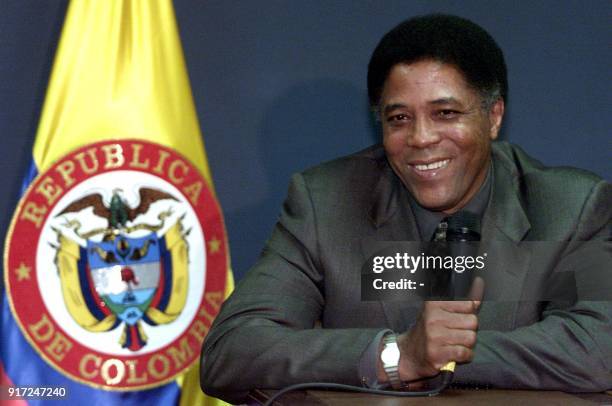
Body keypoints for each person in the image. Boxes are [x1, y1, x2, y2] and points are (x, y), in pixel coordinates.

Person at [200, 14, 612, 403]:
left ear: (494, 116)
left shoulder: (569, 206)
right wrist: (397, 355)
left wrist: (432, 357)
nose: (421, 138)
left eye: (445, 113)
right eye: (399, 118)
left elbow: (601, 348)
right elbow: (231, 351)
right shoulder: (327, 202)